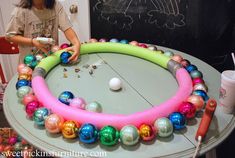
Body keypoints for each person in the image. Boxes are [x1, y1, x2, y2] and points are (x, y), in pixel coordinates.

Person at [5, 0, 80, 63]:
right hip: (29, 65)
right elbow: (9, 36)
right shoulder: (21, 11)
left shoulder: (56, 6)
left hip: (51, 61)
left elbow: (67, 28)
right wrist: (32, 41)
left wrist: (76, 43)